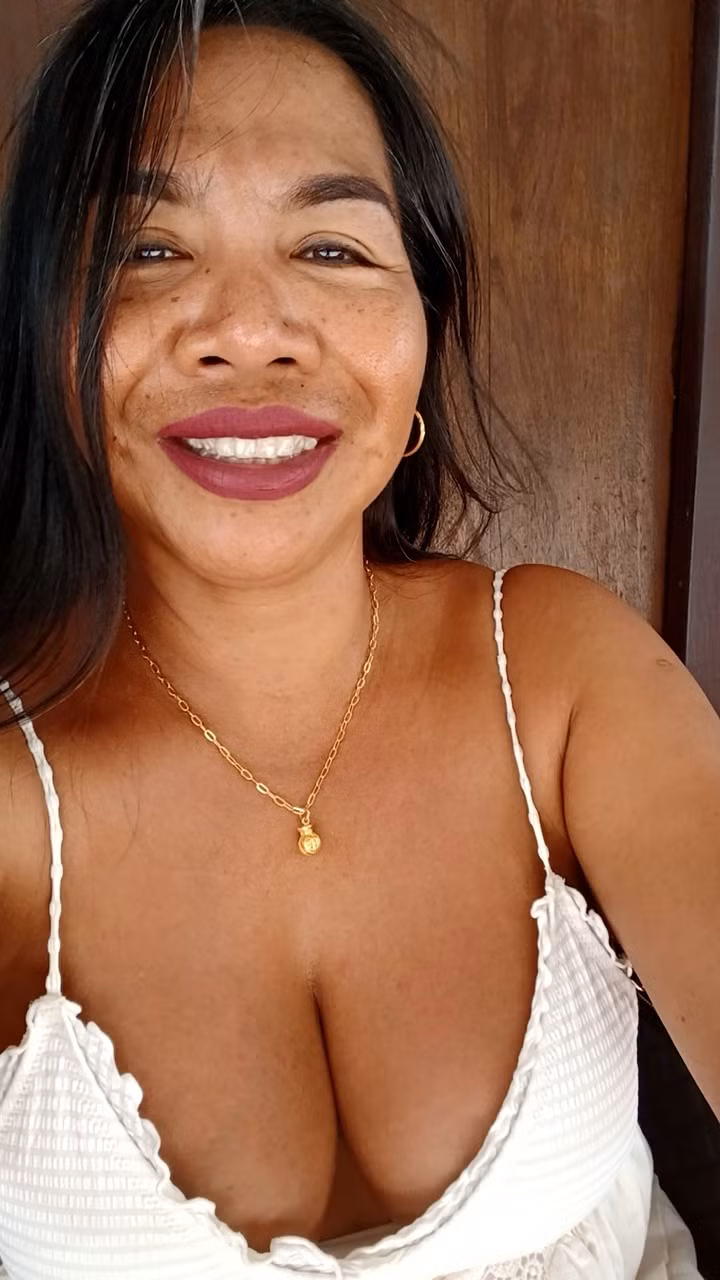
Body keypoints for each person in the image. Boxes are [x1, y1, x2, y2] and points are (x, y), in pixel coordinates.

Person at [0, 0, 717, 1276]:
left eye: (332, 247)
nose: (249, 328)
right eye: (148, 250)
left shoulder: (556, 677)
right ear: (44, 331)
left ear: (422, 326)